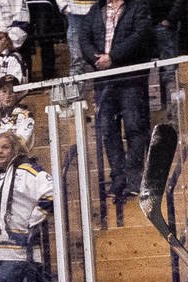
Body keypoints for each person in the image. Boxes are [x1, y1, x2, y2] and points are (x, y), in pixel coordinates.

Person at [77, 0, 150, 221]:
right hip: (103, 79)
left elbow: (139, 36)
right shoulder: (95, 10)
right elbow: (84, 37)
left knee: (135, 127)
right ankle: (118, 177)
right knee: (108, 130)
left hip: (130, 77)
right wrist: (97, 59)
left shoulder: (138, 7)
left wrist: (113, 57)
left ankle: (134, 178)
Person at [0, 128, 47, 282]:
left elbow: (51, 193)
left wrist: (32, 221)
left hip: (19, 253)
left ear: (14, 149)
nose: (0, 151)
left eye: (5, 147)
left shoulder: (26, 171)